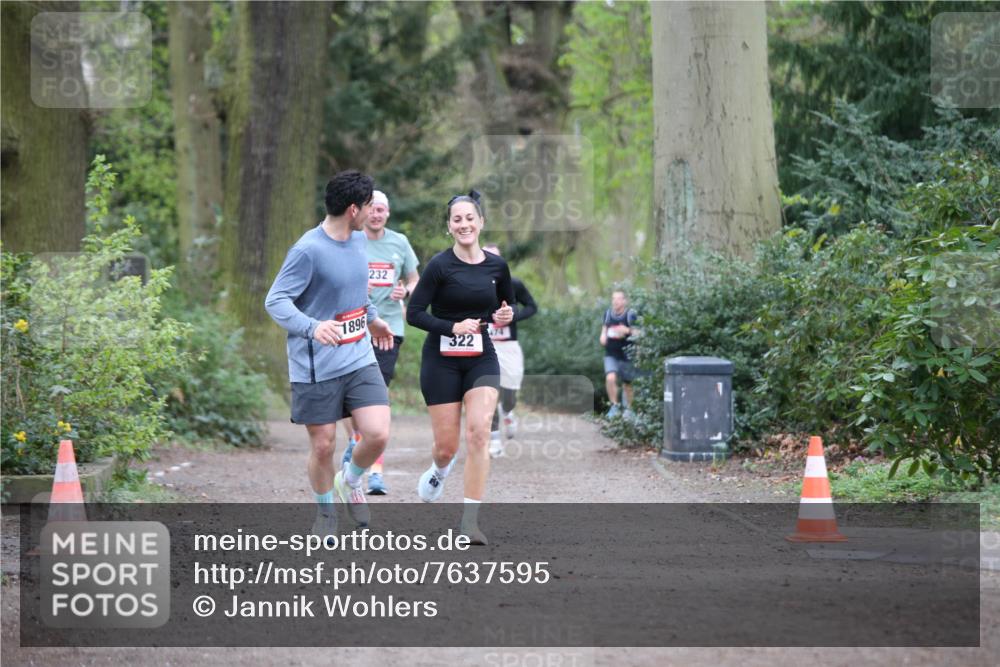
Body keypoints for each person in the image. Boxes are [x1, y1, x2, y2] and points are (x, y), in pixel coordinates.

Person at [264, 170, 395, 539]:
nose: (373, 212)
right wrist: (312, 326)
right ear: (353, 209)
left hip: (358, 357)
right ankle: (325, 515)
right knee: (323, 446)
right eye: (369, 206)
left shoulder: (357, 241)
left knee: (377, 433)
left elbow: (355, 291)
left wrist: (373, 320)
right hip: (316, 365)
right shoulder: (308, 250)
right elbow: (275, 300)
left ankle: (350, 479)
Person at [406, 191, 514, 545]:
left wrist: (503, 315)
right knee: (447, 447)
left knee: (480, 432)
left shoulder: (498, 267)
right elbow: (415, 314)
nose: (464, 224)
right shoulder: (439, 266)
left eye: (470, 218)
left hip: (481, 357)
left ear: (481, 222)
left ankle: (470, 522)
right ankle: (440, 469)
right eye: (457, 219)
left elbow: (505, 307)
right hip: (441, 361)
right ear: (449, 227)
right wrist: (451, 327)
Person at [340, 189, 420, 495]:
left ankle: (375, 473)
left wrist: (407, 292)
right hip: (354, 327)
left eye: (382, 210)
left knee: (376, 398)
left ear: (388, 213)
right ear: (363, 210)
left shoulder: (399, 242)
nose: (377, 214)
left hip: (389, 329)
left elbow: (414, 279)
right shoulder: (352, 239)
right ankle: (354, 441)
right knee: (349, 398)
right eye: (372, 209)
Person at [482, 243, 537, 458]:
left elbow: (532, 307)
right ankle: (494, 440)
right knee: (489, 393)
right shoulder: (473, 285)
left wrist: (512, 318)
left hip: (508, 345)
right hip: (486, 345)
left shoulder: (513, 284)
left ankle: (508, 410)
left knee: (509, 393)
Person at [600, 289, 639, 419]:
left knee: (627, 383)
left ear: (624, 301)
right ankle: (614, 406)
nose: (615, 301)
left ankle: (629, 410)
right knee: (610, 378)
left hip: (627, 354)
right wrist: (603, 337)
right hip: (611, 353)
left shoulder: (630, 315)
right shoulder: (608, 314)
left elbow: (640, 332)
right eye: (613, 298)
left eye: (618, 298)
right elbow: (604, 330)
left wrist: (627, 330)